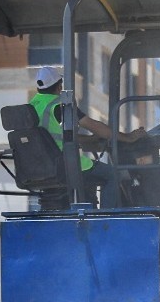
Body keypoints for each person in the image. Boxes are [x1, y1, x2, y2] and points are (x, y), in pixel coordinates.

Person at [29, 65, 146, 208]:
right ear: (59, 86)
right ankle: (104, 216)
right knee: (113, 175)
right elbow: (95, 126)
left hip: (40, 166)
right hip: (63, 164)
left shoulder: (31, 106)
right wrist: (128, 137)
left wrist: (91, 139)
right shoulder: (57, 105)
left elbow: (53, 138)